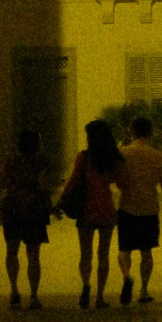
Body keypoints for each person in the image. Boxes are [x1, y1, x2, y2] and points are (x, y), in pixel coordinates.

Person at [59, 118, 123, 308]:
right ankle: (100, 296)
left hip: (87, 209)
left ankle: (86, 287)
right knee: (103, 254)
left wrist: (61, 200)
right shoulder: (113, 158)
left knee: (85, 254)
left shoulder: (84, 157)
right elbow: (120, 181)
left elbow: (73, 180)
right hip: (106, 209)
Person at [116, 115, 162, 304]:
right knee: (146, 252)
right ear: (150, 133)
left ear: (131, 132)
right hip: (149, 208)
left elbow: (115, 177)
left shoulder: (123, 153)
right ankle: (144, 290)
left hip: (127, 207)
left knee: (124, 249)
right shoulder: (156, 156)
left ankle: (127, 276)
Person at [0, 128, 51, 309]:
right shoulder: (40, 161)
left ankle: (14, 290)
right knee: (33, 254)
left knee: (12, 250)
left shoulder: (10, 160)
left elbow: (2, 181)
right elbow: (43, 184)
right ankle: (34, 296)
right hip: (34, 207)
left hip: (13, 206)